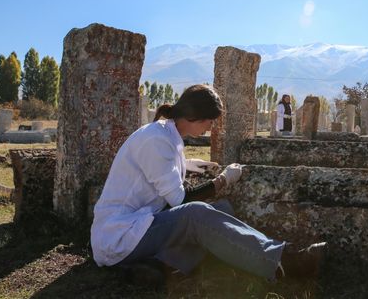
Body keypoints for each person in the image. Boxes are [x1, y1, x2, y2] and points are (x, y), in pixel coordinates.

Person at [91, 84, 325, 287]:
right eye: (210, 121)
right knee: (196, 214)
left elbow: (161, 169)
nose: (210, 128)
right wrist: (223, 179)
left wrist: (191, 164)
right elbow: (180, 200)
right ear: (194, 116)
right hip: (119, 234)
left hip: (143, 223)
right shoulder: (156, 139)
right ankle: (283, 261)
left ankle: (159, 265)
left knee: (221, 209)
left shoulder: (167, 136)